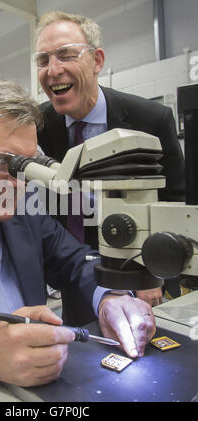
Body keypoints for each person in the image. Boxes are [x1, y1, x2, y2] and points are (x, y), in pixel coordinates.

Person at [0, 72, 155, 402]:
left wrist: (110, 298)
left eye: (28, 164)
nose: (18, 183)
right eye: (4, 161)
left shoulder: (21, 204)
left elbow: (76, 261)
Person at [34, 10, 186, 307]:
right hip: (67, 274)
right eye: (43, 60)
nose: (52, 70)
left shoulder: (150, 120)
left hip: (137, 275)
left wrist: (151, 269)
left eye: (66, 55)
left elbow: (172, 204)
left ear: (97, 61)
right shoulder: (36, 126)